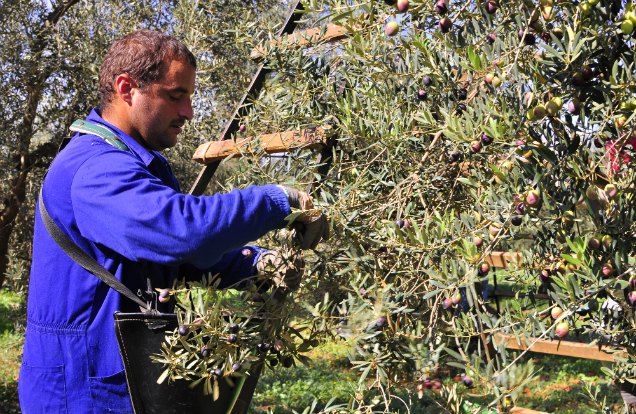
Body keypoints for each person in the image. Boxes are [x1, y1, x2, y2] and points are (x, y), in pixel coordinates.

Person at [18, 30, 329, 413]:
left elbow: (167, 257)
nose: (189, 113)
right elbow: (183, 232)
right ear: (127, 88)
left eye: (190, 97)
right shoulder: (96, 170)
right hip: (83, 394)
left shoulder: (133, 164)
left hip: (113, 382)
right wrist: (277, 200)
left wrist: (254, 263)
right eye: (176, 96)